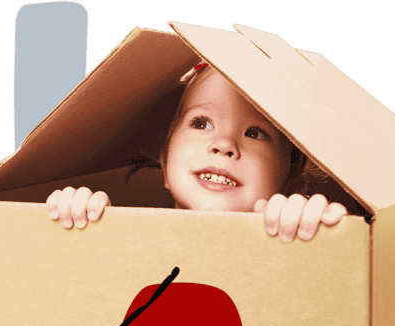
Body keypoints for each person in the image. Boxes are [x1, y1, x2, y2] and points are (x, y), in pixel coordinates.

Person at [46, 61, 347, 242]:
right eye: (201, 123)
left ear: (292, 184)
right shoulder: (125, 239)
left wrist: (311, 227)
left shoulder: (293, 238)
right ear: (164, 161)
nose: (224, 144)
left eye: (255, 133)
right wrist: (79, 219)